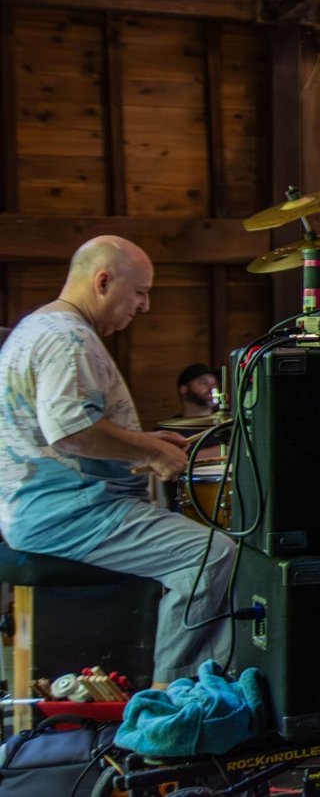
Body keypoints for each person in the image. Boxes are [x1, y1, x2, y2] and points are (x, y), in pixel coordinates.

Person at [0, 237, 234, 685]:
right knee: (213, 555)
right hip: (69, 512)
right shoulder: (68, 339)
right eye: (140, 292)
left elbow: (59, 430)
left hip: (44, 507)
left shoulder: (37, 327)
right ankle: (172, 697)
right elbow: (70, 431)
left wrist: (142, 441)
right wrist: (149, 451)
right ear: (103, 281)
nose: (145, 305)